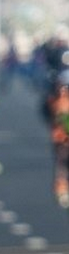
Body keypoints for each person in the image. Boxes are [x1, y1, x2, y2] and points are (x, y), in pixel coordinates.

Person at [44, 71, 69, 208]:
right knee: (61, 164)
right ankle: (62, 190)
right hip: (61, 139)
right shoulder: (57, 101)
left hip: (61, 137)